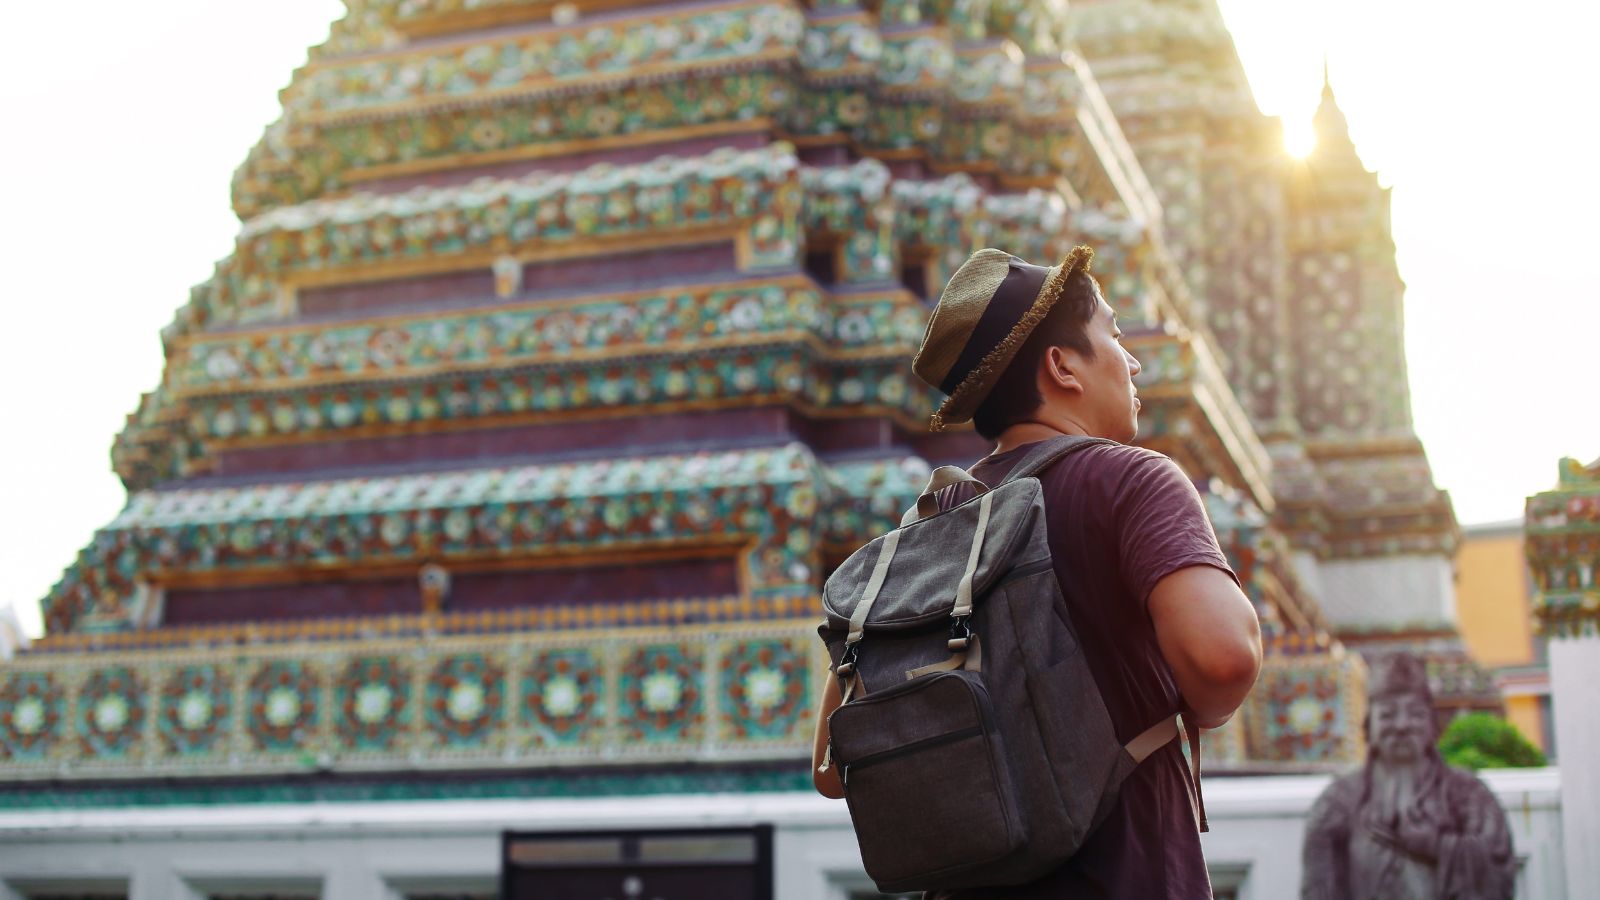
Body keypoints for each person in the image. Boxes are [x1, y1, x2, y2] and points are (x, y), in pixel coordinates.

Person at [810, 246, 1263, 898]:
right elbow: (1224, 660)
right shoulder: (1132, 481)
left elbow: (831, 765)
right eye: (1113, 333)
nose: (1131, 360)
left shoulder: (923, 528)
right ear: (1061, 367)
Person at [1301, 653, 1515, 900]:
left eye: (1414, 713)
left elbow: (1495, 859)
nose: (1402, 725)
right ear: (1369, 726)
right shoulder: (1337, 802)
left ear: (1432, 724)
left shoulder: (1468, 794)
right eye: (1388, 715)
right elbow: (1318, 888)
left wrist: (1435, 845)